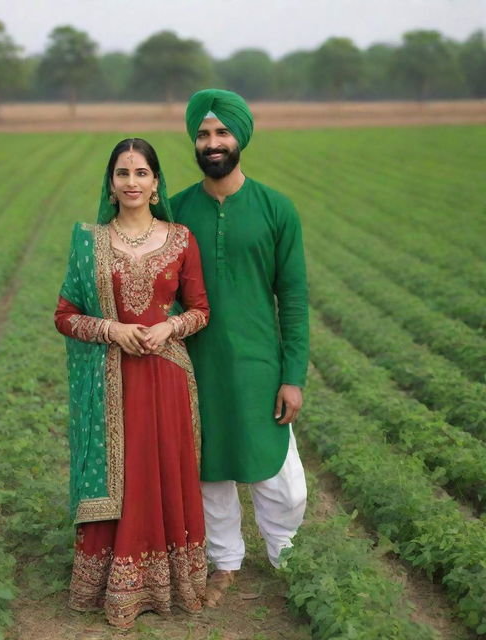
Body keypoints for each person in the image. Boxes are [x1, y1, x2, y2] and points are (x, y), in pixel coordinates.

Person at [54, 138, 210, 628]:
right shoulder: (89, 241)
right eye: (123, 173)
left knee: (160, 470)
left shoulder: (182, 238)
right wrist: (111, 330)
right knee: (126, 470)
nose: (132, 182)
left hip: (167, 378)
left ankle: (170, 583)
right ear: (111, 183)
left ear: (156, 183)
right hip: (112, 380)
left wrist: (170, 326)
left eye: (142, 173)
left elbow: (202, 310)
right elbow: (64, 316)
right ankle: (111, 583)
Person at [170, 89, 309, 606]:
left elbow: (293, 297)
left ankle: (285, 553)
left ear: (240, 137)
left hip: (259, 365)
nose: (212, 143)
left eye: (222, 132)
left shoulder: (276, 208)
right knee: (210, 468)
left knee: (280, 477)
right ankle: (224, 561)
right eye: (203, 134)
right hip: (194, 363)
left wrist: (292, 374)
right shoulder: (177, 209)